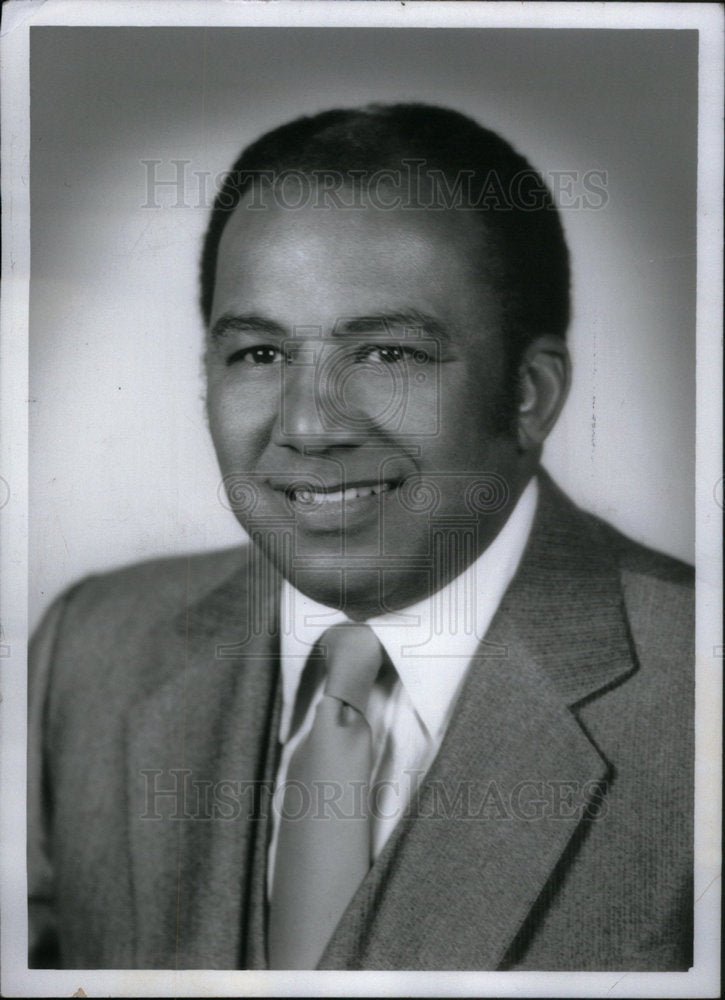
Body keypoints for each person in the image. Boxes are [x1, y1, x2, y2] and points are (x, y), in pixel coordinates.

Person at [28, 103, 694, 971]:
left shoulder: (695, 692)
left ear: (529, 394)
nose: (308, 427)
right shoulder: (90, 648)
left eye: (386, 355)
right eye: (259, 355)